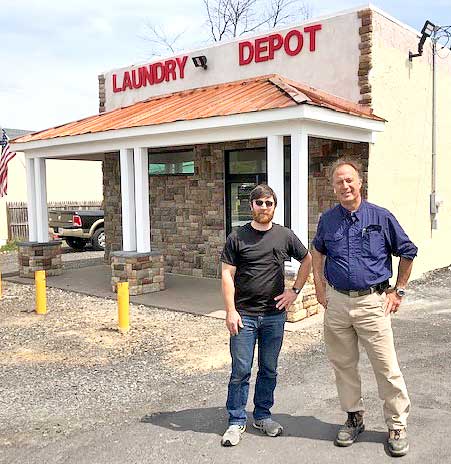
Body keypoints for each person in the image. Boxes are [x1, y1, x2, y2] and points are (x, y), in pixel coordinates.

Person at [311, 159, 417, 457]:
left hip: (373, 303)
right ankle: (354, 417)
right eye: (339, 182)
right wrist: (319, 286)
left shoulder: (381, 217)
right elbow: (317, 250)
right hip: (337, 303)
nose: (345, 186)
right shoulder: (328, 220)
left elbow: (408, 251)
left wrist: (399, 291)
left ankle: (396, 425)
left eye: (349, 180)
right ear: (333, 188)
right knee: (343, 366)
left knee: (386, 368)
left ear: (360, 182)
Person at [220, 184, 312, 447]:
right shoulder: (237, 237)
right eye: (259, 203)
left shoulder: (284, 235)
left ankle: (262, 416)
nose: (264, 207)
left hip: (274, 316)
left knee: (269, 369)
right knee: (240, 370)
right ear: (251, 206)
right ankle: (236, 420)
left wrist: (294, 291)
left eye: (268, 203)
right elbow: (227, 275)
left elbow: (307, 260)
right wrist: (230, 311)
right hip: (244, 316)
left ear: (274, 206)